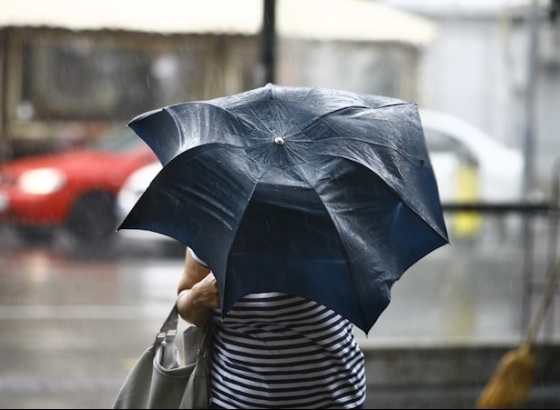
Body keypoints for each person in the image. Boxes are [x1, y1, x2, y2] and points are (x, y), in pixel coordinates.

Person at [176, 247, 367, 409]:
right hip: (234, 400)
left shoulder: (332, 219)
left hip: (335, 398)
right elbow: (185, 306)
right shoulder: (212, 224)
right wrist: (199, 296)